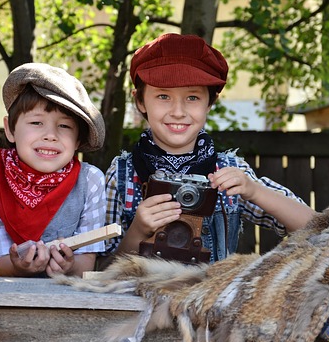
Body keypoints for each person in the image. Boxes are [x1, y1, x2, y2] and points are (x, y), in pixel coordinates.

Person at [105, 33, 317, 263]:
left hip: (209, 299)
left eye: (192, 97)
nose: (178, 111)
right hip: (135, 299)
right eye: (163, 96)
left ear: (210, 103)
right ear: (140, 101)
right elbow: (100, 269)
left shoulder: (229, 171)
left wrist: (254, 191)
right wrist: (138, 230)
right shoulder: (123, 174)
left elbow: (317, 228)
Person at [0, 62, 106, 277]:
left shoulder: (90, 181)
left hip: (69, 302)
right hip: (1, 300)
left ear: (78, 138)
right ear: (10, 129)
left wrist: (70, 266)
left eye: (64, 126)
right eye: (36, 122)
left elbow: (88, 262)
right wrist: (18, 266)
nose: (50, 135)